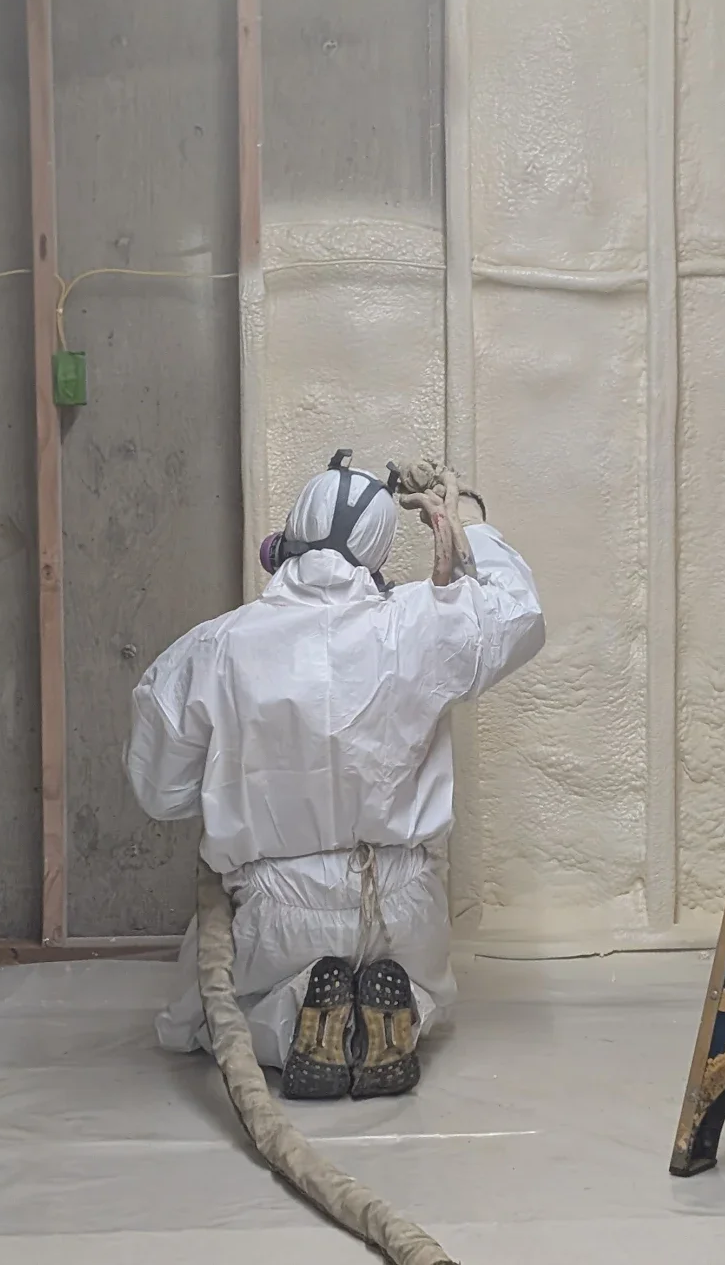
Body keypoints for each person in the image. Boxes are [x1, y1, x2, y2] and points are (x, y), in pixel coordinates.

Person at [127, 451, 545, 1100]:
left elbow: (160, 791)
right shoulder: (420, 624)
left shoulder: (218, 645)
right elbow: (518, 613)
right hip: (399, 903)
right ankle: (394, 1012)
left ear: (289, 534)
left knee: (213, 1017)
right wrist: (468, 525)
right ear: (375, 551)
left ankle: (296, 1014)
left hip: (275, 907)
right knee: (426, 994)